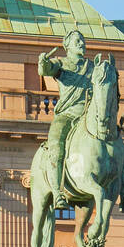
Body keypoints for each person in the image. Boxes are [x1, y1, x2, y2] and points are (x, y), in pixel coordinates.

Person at [38, 30, 94, 209]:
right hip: (67, 116)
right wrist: (43, 62)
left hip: (88, 117)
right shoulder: (61, 64)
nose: (81, 43)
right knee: (56, 146)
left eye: (83, 40)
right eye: (77, 40)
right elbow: (46, 70)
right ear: (67, 45)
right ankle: (57, 192)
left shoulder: (92, 67)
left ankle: (123, 193)